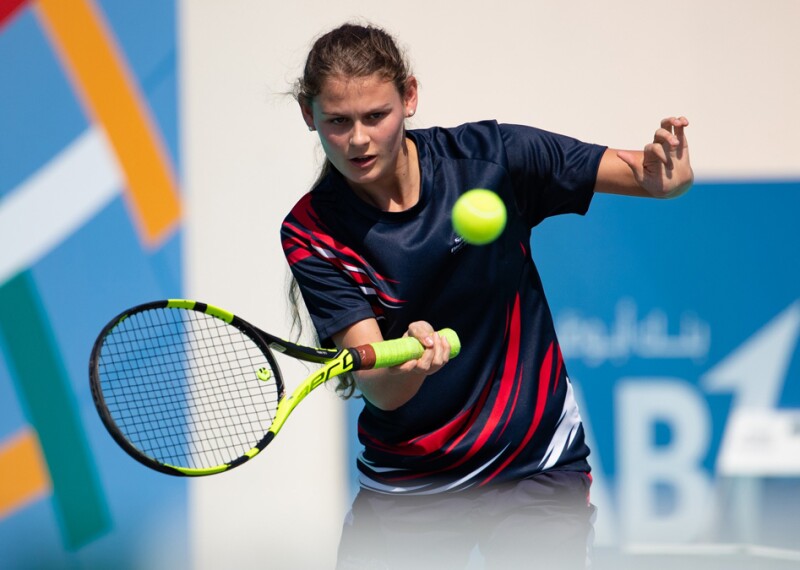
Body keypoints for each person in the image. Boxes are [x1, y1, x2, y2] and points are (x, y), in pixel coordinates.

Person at [280, 23, 693, 570]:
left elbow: (648, 174)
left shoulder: (491, 158)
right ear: (309, 116)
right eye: (337, 121)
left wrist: (669, 176)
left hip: (534, 466)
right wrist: (412, 364)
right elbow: (382, 390)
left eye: (375, 116)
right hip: (411, 482)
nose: (358, 139)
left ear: (409, 97)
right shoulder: (312, 231)